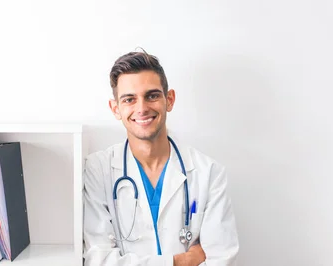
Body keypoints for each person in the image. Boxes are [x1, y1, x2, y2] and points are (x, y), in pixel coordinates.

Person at [82, 49, 240, 266]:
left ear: (170, 99)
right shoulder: (98, 170)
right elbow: (98, 260)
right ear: (116, 108)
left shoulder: (209, 173)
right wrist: (181, 262)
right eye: (129, 99)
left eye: (152, 95)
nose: (142, 108)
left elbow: (222, 260)